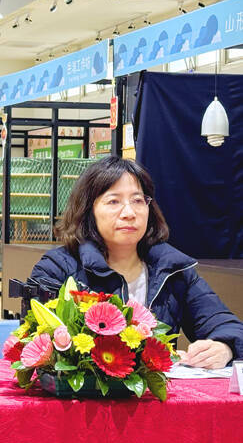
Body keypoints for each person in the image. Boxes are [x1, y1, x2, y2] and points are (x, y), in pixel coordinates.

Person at [31, 155, 242, 369]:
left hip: (159, 400)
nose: (129, 213)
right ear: (88, 210)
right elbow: (36, 345)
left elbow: (226, 324)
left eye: (138, 200)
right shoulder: (56, 269)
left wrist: (225, 347)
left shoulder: (172, 269)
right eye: (114, 201)